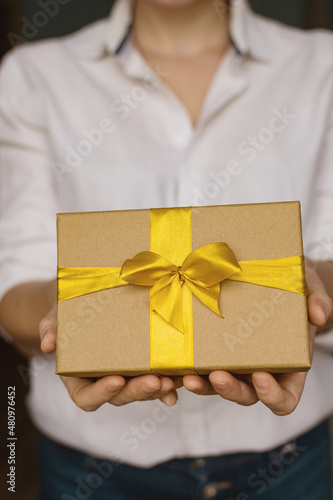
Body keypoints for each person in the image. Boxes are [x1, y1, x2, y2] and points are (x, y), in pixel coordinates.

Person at [0, 0, 333, 498]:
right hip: (92, 470)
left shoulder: (322, 66)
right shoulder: (33, 74)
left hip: (291, 461)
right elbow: (14, 283)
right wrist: (67, 321)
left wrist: (310, 292)